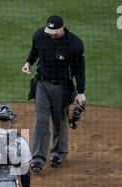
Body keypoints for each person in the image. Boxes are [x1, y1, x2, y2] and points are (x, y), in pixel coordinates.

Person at [22, 15, 86, 173]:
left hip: (62, 87)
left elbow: (80, 69)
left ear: (63, 28)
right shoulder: (39, 35)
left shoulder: (74, 43)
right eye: (49, 31)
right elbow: (35, 50)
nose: (51, 34)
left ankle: (58, 153)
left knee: (59, 120)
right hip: (42, 84)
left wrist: (81, 92)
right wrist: (29, 62)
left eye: (55, 32)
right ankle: (37, 158)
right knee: (41, 120)